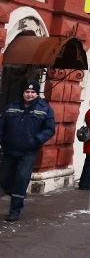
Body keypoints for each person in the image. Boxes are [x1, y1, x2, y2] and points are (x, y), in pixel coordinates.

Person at [0, 81, 55, 222]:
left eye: (32, 92)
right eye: (27, 92)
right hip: (9, 150)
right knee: (3, 179)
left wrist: (36, 140)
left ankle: (15, 210)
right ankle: (18, 195)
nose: (29, 94)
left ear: (37, 94)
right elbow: (1, 126)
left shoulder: (45, 109)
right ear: (23, 93)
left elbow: (49, 129)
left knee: (21, 179)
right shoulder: (11, 107)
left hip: (28, 152)